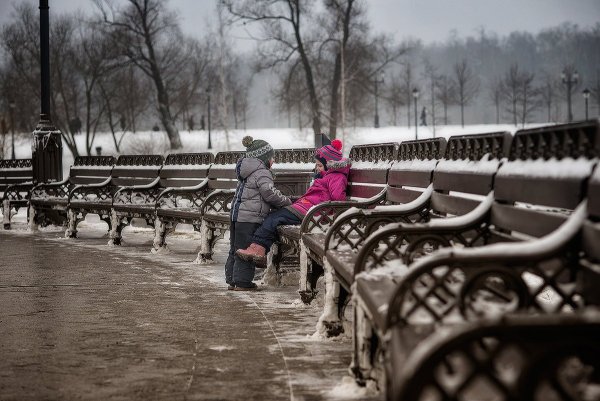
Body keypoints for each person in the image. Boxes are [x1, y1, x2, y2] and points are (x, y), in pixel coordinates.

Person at [236, 139, 350, 266]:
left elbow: (338, 200)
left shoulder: (337, 177)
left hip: (314, 212)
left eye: (319, 165)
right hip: (307, 208)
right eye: (316, 165)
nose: (317, 169)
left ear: (330, 164)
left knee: (274, 219)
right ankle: (259, 248)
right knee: (273, 216)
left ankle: (258, 249)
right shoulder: (326, 176)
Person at [225, 136, 292, 291]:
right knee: (246, 249)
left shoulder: (247, 170)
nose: (273, 161)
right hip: (250, 218)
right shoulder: (262, 172)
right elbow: (269, 193)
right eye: (272, 157)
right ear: (264, 158)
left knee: (235, 247)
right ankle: (242, 283)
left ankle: (232, 280)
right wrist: (286, 201)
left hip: (237, 216)